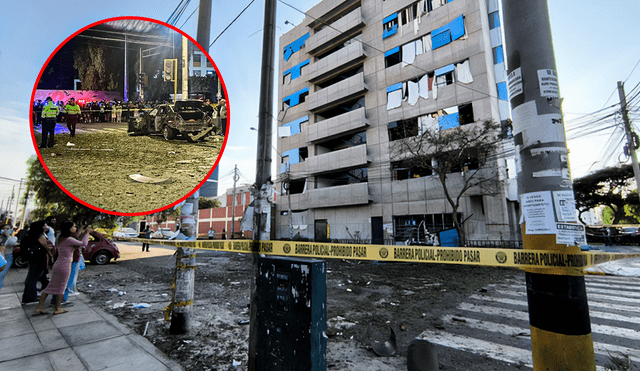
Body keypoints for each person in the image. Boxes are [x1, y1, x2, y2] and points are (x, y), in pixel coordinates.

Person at [34, 222, 90, 315]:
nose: (75, 228)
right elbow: (83, 243)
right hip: (65, 265)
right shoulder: (69, 239)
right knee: (62, 287)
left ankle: (39, 307)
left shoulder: (61, 237)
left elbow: (77, 239)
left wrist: (83, 231)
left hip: (58, 264)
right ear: (69, 229)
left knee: (50, 286)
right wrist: (87, 233)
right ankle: (57, 308)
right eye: (74, 227)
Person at [21, 221, 53, 304]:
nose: (46, 226)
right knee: (33, 278)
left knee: (32, 277)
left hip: (33, 259)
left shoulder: (31, 234)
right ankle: (30, 297)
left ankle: (29, 296)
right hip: (39, 259)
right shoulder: (40, 236)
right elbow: (46, 248)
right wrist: (51, 255)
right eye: (44, 225)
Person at [0, 222, 18, 291]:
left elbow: (12, 242)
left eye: (7, 229)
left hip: (7, 258)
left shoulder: (13, 238)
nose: (5, 230)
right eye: (4, 229)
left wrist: (8, 235)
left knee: (1, 274)